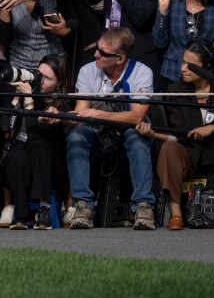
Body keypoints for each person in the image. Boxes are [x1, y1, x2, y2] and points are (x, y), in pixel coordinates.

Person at [136, 40, 214, 229]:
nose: (183, 69)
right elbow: (178, 136)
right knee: (169, 149)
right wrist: (154, 134)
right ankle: (176, 213)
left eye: (190, 65)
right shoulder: (175, 91)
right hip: (193, 155)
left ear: (207, 67)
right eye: (182, 63)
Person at [65, 27, 155, 231]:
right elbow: (81, 113)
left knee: (136, 136)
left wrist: (100, 114)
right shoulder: (88, 70)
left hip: (126, 138)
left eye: (103, 53)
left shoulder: (142, 72)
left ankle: (143, 205)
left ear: (120, 58)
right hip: (97, 137)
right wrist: (58, 116)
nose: (96, 54)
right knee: (76, 135)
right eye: (97, 48)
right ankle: (82, 206)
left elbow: (137, 116)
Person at [0, 53, 70, 230]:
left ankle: (44, 209)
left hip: (49, 167)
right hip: (18, 165)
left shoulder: (63, 104)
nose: (41, 81)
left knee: (38, 147)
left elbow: (35, 132)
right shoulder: (26, 94)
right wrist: (17, 98)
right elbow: (4, 126)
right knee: (19, 154)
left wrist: (29, 101)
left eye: (47, 78)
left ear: (59, 82)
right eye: (39, 74)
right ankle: (21, 216)